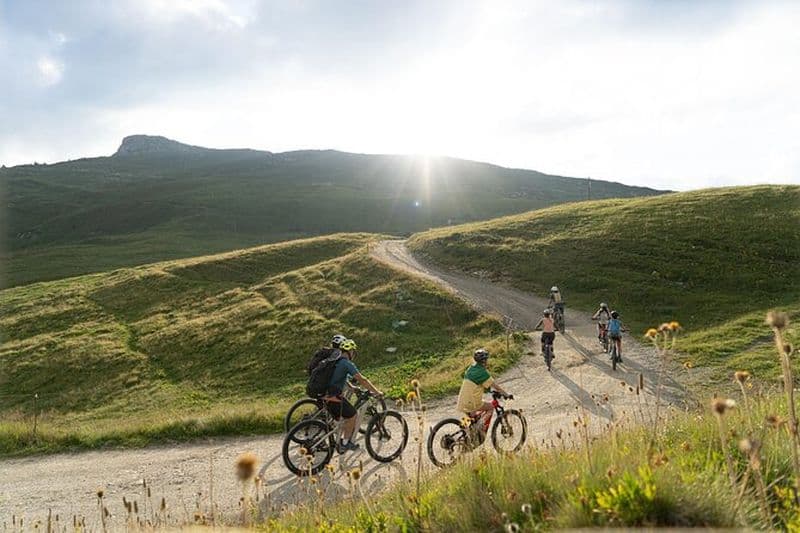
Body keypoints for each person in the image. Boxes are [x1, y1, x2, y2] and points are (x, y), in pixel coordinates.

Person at [323, 339, 383, 453]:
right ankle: (345, 443)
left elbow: (341, 378)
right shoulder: (347, 364)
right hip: (334, 397)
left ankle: (337, 438)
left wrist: (352, 387)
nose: (354, 354)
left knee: (343, 416)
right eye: (353, 352)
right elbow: (362, 380)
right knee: (353, 415)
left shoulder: (335, 361)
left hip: (325, 396)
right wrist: (376, 391)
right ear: (350, 351)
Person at [456, 349, 510, 440]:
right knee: (491, 407)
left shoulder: (471, 368)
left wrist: (488, 390)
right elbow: (495, 386)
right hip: (472, 402)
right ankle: (479, 426)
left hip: (462, 400)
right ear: (484, 361)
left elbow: (478, 385)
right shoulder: (483, 372)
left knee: (471, 419)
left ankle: (463, 438)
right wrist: (506, 394)